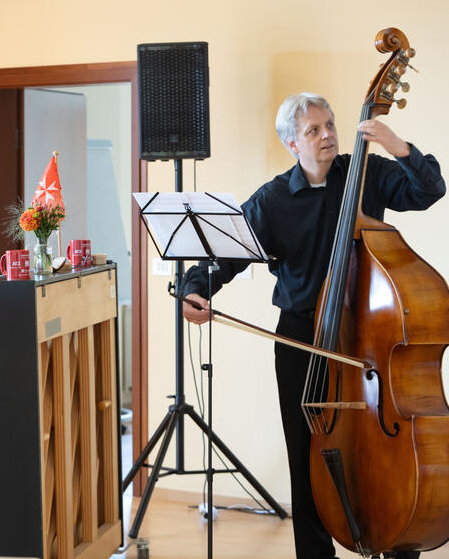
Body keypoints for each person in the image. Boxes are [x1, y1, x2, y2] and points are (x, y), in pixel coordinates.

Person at [181, 92, 445, 559]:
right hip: (302, 340)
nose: (327, 135)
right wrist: (195, 287)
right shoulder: (272, 200)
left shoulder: (367, 173)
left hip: (368, 341)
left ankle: (397, 538)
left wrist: (397, 145)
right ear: (291, 143)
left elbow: (429, 191)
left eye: (330, 125)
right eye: (313, 130)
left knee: (386, 457)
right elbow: (227, 253)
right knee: (307, 463)